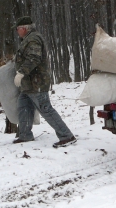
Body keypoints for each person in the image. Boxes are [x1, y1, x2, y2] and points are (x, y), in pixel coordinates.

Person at [12, 16, 77, 148]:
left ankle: (66, 136)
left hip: (37, 83)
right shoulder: (27, 39)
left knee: (45, 109)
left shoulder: (33, 39)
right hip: (28, 84)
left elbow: (34, 58)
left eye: (18, 29)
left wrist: (21, 72)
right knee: (23, 107)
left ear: (24, 28)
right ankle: (25, 135)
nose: (17, 31)